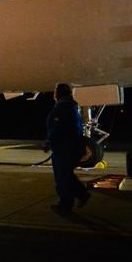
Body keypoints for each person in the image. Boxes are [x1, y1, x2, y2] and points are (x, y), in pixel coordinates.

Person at [47, 83, 90, 212]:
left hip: (64, 148)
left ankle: (66, 203)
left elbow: (59, 128)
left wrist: (51, 141)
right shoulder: (70, 107)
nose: (54, 93)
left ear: (58, 93)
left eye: (55, 91)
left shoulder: (63, 108)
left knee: (62, 177)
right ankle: (81, 194)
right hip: (70, 146)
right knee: (67, 175)